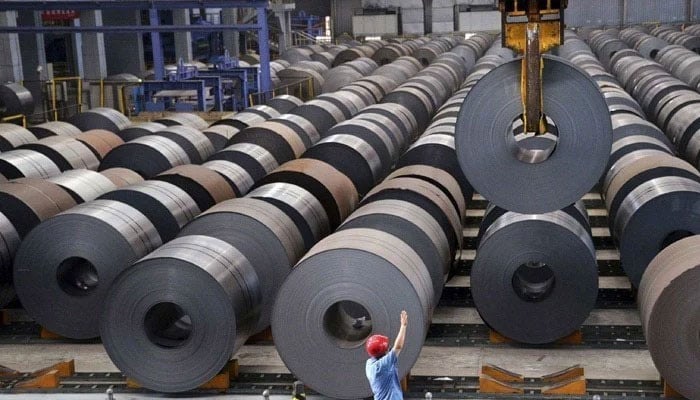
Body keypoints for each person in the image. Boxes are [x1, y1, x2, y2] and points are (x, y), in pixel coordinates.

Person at [365, 310, 408, 400]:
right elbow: (398, 347)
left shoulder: (369, 364)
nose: (389, 349)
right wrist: (403, 326)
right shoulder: (382, 366)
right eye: (387, 348)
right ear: (383, 353)